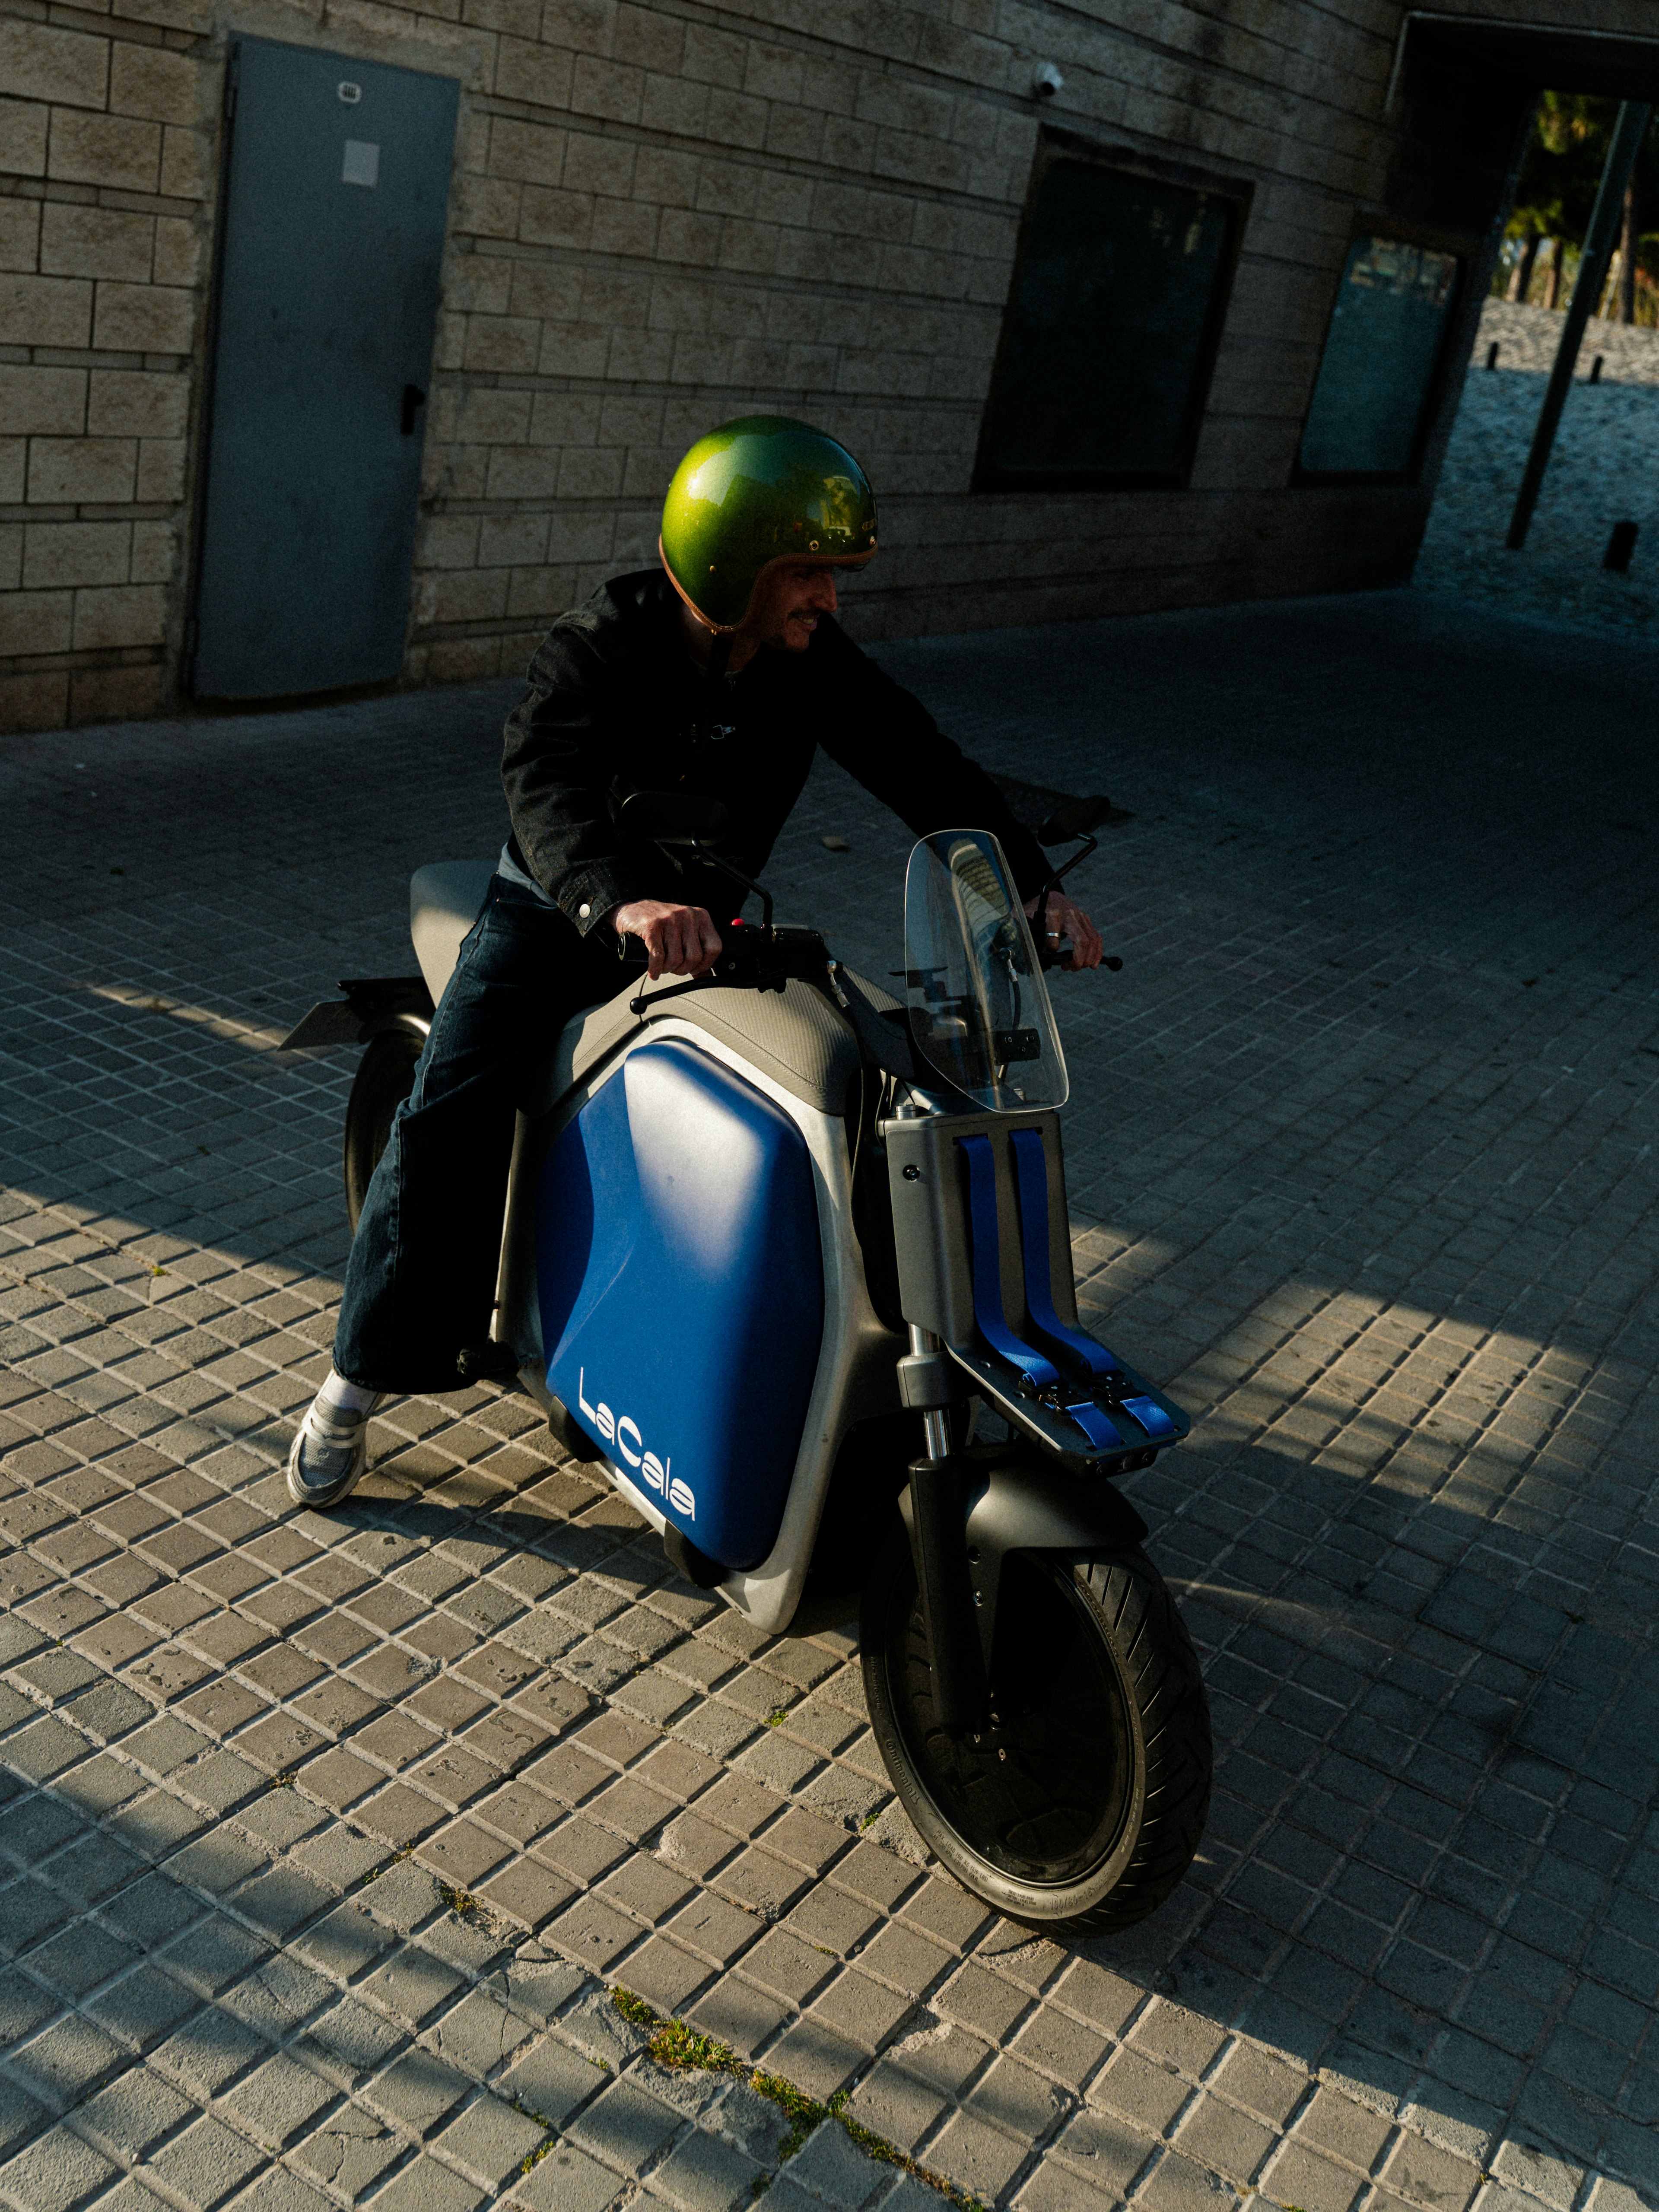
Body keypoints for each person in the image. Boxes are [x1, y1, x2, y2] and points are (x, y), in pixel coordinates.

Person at [287, 415, 1103, 1507]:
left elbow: (924, 764)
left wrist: (1027, 884)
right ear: (735, 565)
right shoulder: (597, 644)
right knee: (448, 1120)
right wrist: (616, 897)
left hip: (707, 931)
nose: (828, 597)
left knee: (816, 1105)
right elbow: (542, 775)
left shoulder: (812, 664)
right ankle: (351, 1384)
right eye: (807, 572)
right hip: (557, 916)